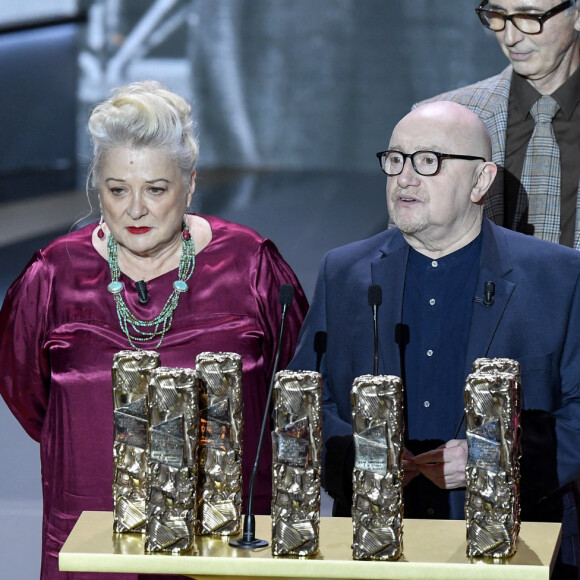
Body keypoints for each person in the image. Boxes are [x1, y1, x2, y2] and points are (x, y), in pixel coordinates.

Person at [0, 81, 308, 580]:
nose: (135, 209)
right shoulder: (52, 276)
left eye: (156, 190)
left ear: (189, 183)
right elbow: (29, 398)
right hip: (92, 537)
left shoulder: (251, 266)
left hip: (226, 541)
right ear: (96, 185)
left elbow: (293, 391)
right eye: (117, 190)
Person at [289, 101, 580, 578]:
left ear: (481, 182)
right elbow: (305, 401)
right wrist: (358, 458)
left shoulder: (557, 277)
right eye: (395, 160)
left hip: (514, 550)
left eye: (428, 161)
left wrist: (497, 459)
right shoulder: (343, 272)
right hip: (371, 548)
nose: (405, 177)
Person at [417, 0, 580, 249]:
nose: (510, 37)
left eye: (529, 16)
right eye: (498, 15)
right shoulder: (440, 120)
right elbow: (408, 253)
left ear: (577, 14)